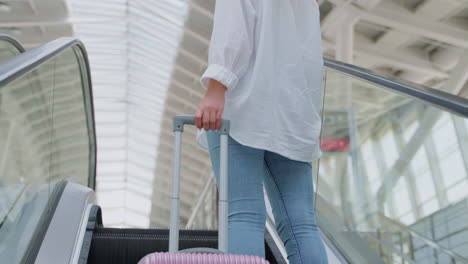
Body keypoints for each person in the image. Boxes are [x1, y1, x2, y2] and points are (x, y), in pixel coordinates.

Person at [194, 0, 328, 263]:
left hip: (244, 106)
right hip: (294, 113)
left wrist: (216, 88)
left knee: (243, 213)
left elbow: (233, 31)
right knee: (301, 224)